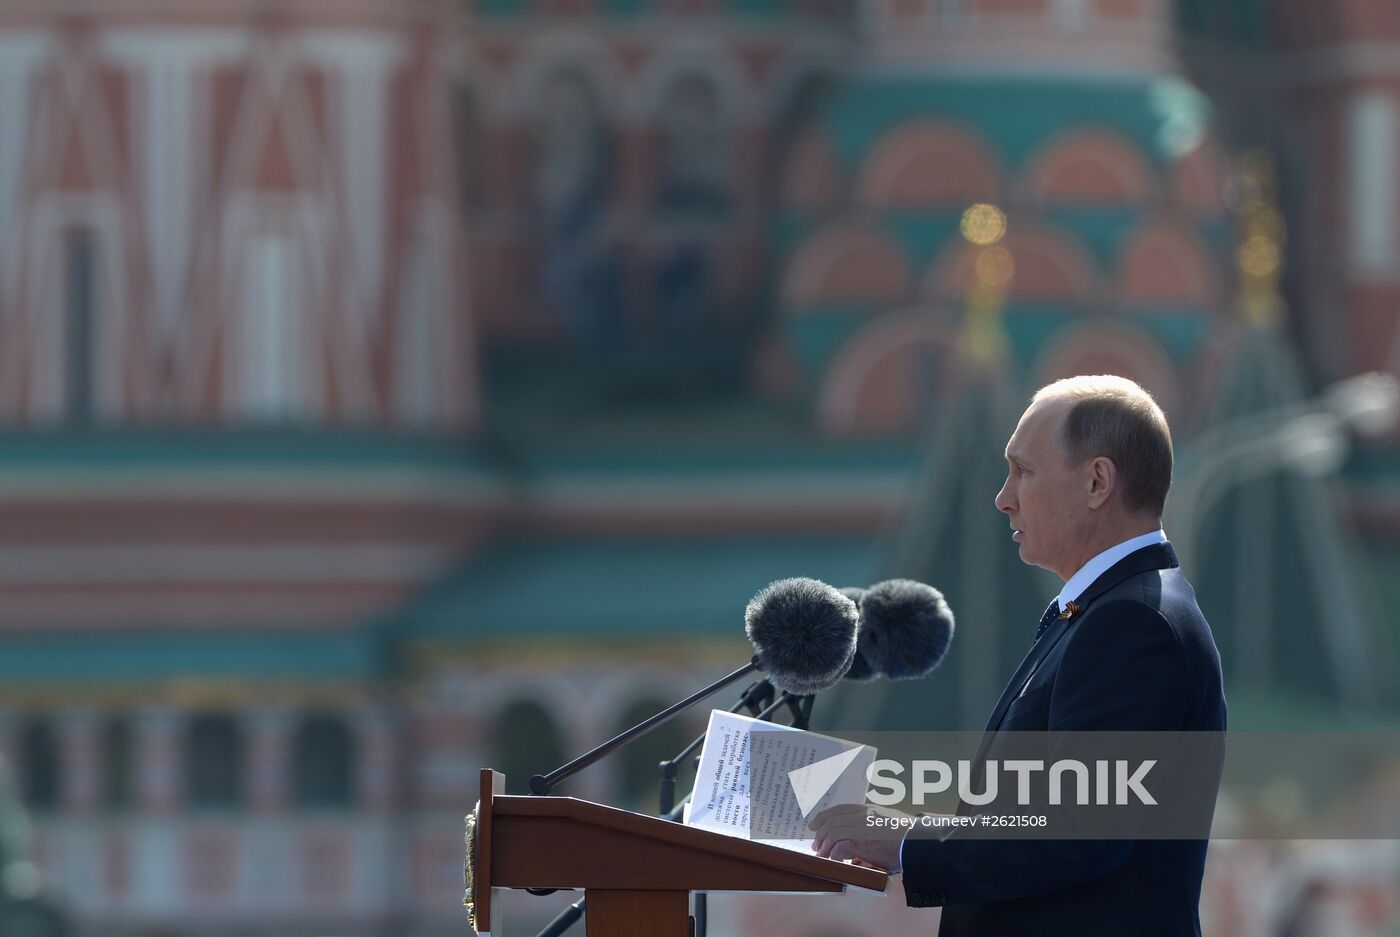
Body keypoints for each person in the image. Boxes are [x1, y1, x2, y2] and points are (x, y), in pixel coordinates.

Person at [811, 374, 1227, 936]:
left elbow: (1078, 830)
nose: (1004, 497)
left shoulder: (1132, 624)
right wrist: (909, 827)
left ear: (1098, 481)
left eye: (1023, 471)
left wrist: (905, 841)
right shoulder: (1102, 611)